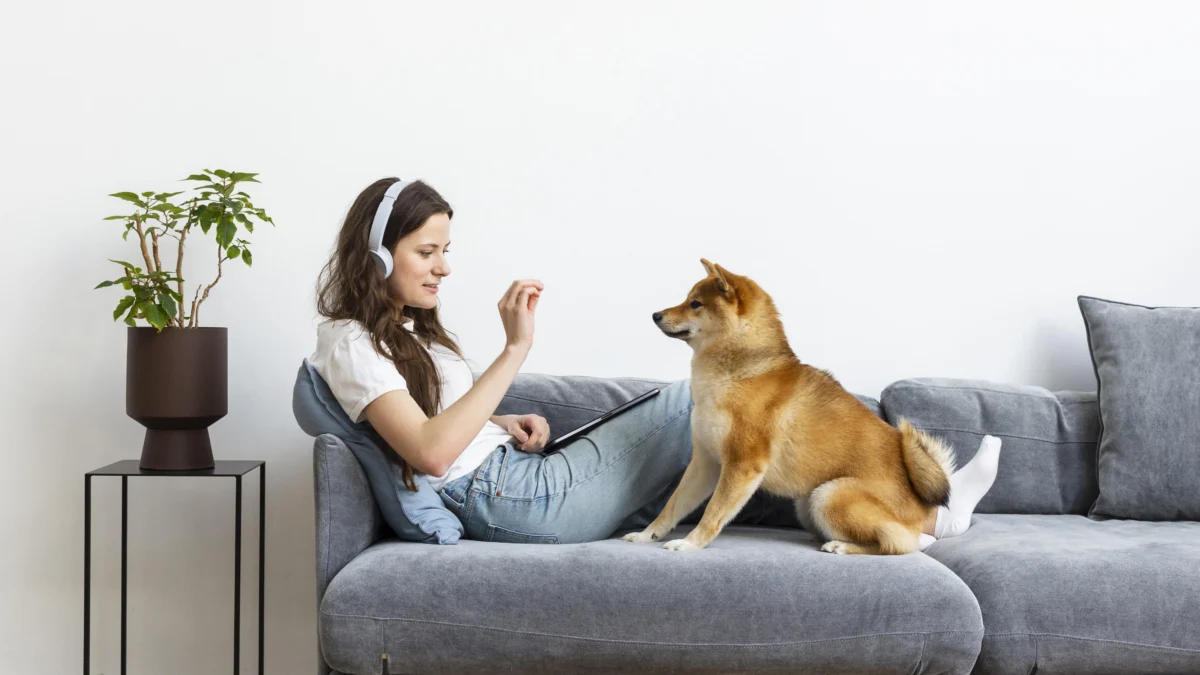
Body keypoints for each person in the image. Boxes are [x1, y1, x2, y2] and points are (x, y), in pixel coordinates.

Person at [309, 177, 1001, 548]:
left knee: (727, 420)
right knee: (703, 408)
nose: (445, 266)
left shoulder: (407, 331)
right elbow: (430, 454)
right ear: (377, 254)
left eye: (446, 249)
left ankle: (911, 509)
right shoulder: (348, 342)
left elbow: (441, 425)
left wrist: (503, 417)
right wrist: (516, 348)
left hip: (512, 471)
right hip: (505, 500)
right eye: (428, 251)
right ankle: (938, 518)